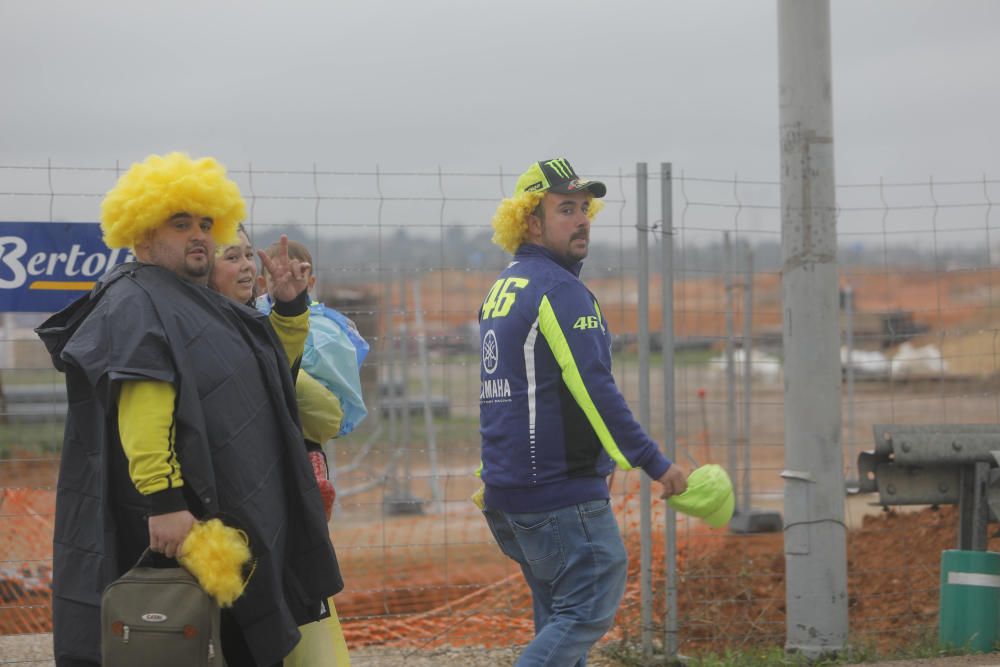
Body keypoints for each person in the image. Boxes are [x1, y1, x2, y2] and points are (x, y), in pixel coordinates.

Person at [36, 152, 342, 667]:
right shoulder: (137, 301)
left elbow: (263, 379)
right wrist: (165, 502)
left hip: (228, 522)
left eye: (205, 223)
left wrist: (289, 310)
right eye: (180, 224)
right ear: (141, 236)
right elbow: (142, 409)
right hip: (184, 525)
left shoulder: (193, 298)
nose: (198, 235)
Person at [477, 158, 689, 666]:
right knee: (590, 602)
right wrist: (655, 463)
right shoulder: (561, 292)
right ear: (531, 222)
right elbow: (595, 389)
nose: (582, 219)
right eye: (565, 209)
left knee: (559, 619)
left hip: (509, 491)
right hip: (558, 491)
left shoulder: (505, 287)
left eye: (584, 208)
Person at [209, 226, 352, 667]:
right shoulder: (195, 327)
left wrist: (290, 306)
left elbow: (279, 371)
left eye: (249, 255)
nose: (248, 266)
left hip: (264, 514)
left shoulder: (252, 324)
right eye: (233, 256)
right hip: (216, 518)